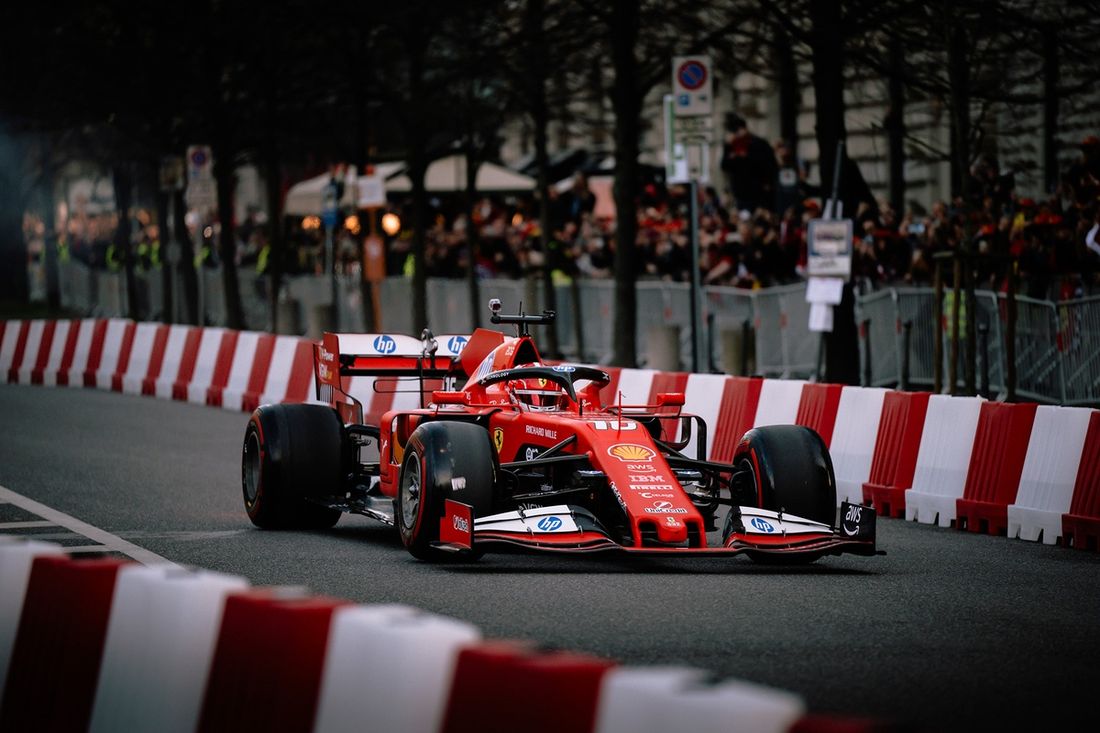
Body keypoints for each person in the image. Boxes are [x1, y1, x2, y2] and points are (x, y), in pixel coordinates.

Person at [720, 113, 778, 215]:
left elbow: (769, 166)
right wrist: (728, 148)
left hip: (759, 194)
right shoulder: (731, 146)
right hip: (740, 195)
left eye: (737, 131)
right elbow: (725, 166)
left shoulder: (758, 144)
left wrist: (768, 185)